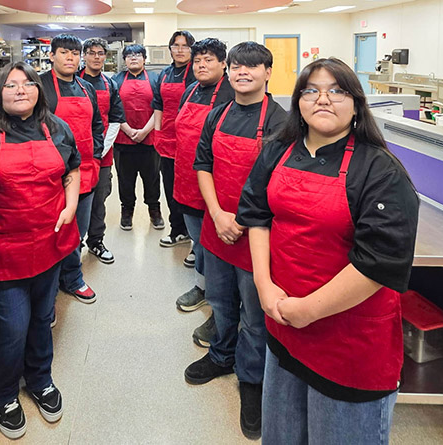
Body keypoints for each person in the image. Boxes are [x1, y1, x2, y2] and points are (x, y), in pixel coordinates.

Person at [237, 58, 419, 444]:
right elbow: (256, 216)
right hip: (283, 325)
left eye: (337, 90)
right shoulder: (278, 152)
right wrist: (264, 285)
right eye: (311, 90)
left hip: (348, 341)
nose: (323, 99)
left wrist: (309, 310)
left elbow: (378, 263)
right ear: (299, 101)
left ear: (356, 104)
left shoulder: (380, 170)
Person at [0, 62, 81, 440]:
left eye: (28, 83)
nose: (20, 90)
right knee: (12, 325)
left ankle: (40, 380)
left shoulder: (56, 127)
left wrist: (71, 203)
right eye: (10, 85)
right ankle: (5, 394)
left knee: (43, 317)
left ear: (39, 90)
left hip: (49, 242)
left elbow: (71, 169)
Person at [189, 42, 287, 440]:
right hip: (217, 228)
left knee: (254, 314)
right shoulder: (219, 113)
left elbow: (280, 186)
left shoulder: (282, 122)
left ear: (267, 72)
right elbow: (203, 165)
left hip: (256, 236)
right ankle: (221, 356)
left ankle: (251, 379)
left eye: (252, 66)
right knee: (221, 302)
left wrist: (242, 221)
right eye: (235, 66)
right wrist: (216, 214)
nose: (241, 72)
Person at [172, 38, 235, 344]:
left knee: (217, 251)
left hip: (216, 190)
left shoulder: (231, 94)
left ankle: (220, 307)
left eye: (209, 60)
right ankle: (202, 287)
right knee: (198, 243)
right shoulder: (190, 91)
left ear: (224, 64)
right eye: (198, 60)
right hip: (187, 181)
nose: (201, 65)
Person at [39, 34, 104, 303]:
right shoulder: (39, 86)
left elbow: (98, 124)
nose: (71, 58)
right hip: (51, 173)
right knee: (52, 231)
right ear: (52, 55)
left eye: (75, 53)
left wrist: (96, 154)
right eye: (64, 52)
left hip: (86, 168)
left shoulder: (86, 87)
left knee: (78, 229)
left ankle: (72, 278)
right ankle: (49, 286)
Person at [79, 37, 126, 264]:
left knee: (99, 200)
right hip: (73, 154)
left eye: (100, 53)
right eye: (92, 53)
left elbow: (116, 120)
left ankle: (96, 241)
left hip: (102, 155)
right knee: (72, 200)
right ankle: (72, 244)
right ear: (84, 55)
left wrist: (100, 149)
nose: (96, 57)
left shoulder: (110, 84)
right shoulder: (72, 81)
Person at [112, 44, 163, 231]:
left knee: (152, 179)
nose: (134, 58)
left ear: (144, 59)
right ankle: (127, 212)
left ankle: (155, 210)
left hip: (149, 140)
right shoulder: (116, 80)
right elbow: (113, 109)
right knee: (125, 180)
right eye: (129, 55)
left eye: (138, 55)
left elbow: (160, 107)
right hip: (123, 140)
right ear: (124, 60)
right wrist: (128, 130)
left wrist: (144, 131)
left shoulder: (156, 79)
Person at [152, 31, 196, 250]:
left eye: (185, 46)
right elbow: (158, 104)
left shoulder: (196, 73)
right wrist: (158, 132)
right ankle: (177, 229)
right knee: (170, 187)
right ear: (170, 48)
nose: (180, 50)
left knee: (190, 188)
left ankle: (193, 233)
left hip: (191, 141)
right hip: (167, 139)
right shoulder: (165, 74)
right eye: (176, 45)